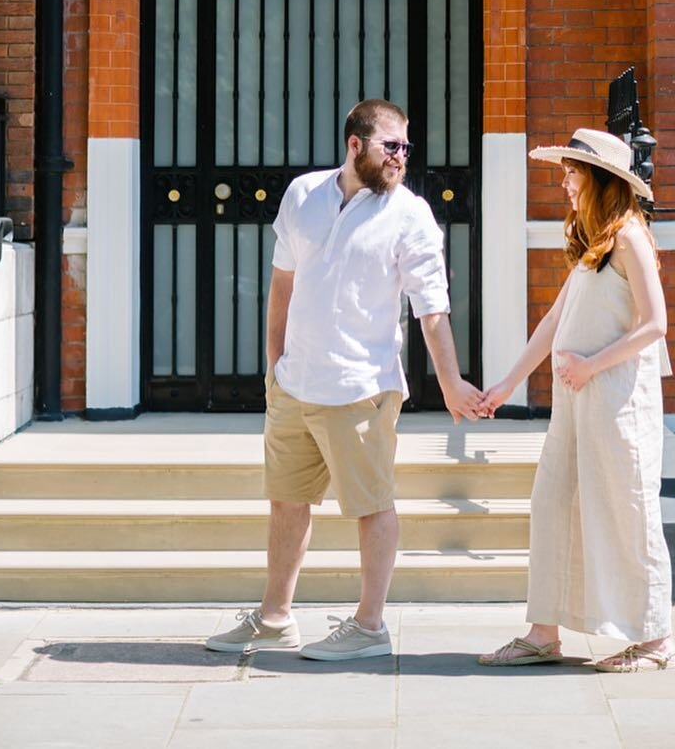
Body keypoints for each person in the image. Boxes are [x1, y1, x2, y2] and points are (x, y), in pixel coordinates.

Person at [206, 98, 483, 662]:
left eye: (407, 146)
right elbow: (282, 283)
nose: (402, 156)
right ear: (355, 145)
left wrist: (451, 382)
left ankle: (369, 626)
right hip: (293, 385)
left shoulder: (410, 216)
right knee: (286, 502)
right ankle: (275, 618)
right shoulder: (303, 195)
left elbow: (432, 308)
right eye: (392, 145)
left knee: (372, 506)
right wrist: (274, 367)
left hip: (361, 388)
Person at [478, 127, 675, 673]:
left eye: (572, 172)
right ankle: (544, 632)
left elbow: (656, 323)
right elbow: (552, 323)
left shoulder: (631, 235)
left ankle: (657, 640)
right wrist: (506, 385)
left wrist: (590, 364)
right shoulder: (595, 239)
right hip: (576, 401)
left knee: (628, 509)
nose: (564, 182)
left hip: (615, 399)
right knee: (553, 503)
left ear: (598, 179)